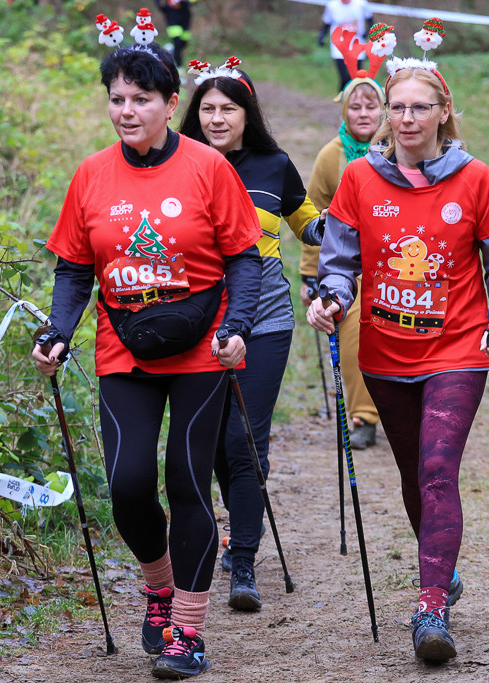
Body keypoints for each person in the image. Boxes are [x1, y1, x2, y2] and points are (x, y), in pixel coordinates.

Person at [32, 41, 262, 680]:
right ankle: (158, 585)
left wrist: (238, 326)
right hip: (123, 348)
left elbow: (244, 257)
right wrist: (57, 331)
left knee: (188, 482)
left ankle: (187, 631)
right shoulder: (92, 174)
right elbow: (75, 269)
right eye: (117, 100)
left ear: (169, 103)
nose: (126, 111)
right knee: (129, 485)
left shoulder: (208, 168)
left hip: (202, 348)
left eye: (141, 99)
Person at [306, 53, 489, 664]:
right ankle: (444, 568)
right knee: (413, 476)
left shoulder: (475, 179)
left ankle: (431, 605)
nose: (407, 117)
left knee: (437, 470)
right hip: (384, 353)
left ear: (443, 112)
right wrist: (330, 299)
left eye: (419, 107)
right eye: (397, 106)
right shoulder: (359, 180)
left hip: (458, 349)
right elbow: (338, 262)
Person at [179, 59, 324, 612]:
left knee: (245, 440)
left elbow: (305, 219)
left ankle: (243, 561)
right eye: (208, 109)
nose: (217, 119)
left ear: (247, 114)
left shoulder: (272, 164)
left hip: (264, 317)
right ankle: (232, 532)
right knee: (213, 441)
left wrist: (342, 225)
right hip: (195, 319)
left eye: (228, 109)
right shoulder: (178, 162)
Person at [299, 73, 385, 450]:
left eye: (371, 106)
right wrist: (308, 275)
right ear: (345, 111)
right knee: (352, 341)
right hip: (348, 268)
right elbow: (313, 216)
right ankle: (363, 416)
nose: (364, 113)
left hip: (395, 264)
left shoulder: (400, 150)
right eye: (356, 106)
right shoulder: (330, 156)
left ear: (384, 111)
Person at [317, 0, 373, 91]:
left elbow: (370, 20)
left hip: (357, 44)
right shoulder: (332, 6)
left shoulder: (361, 4)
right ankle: (343, 96)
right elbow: (327, 23)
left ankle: (348, 98)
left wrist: (368, 33)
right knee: (344, 76)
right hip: (339, 45)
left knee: (354, 76)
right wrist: (321, 36)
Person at [155, 0, 194, 68]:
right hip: (174, 28)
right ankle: (179, 67)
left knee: (183, 45)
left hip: (185, 28)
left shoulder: (185, 5)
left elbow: (190, 3)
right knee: (178, 47)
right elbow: (160, 6)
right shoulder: (168, 7)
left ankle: (171, 49)